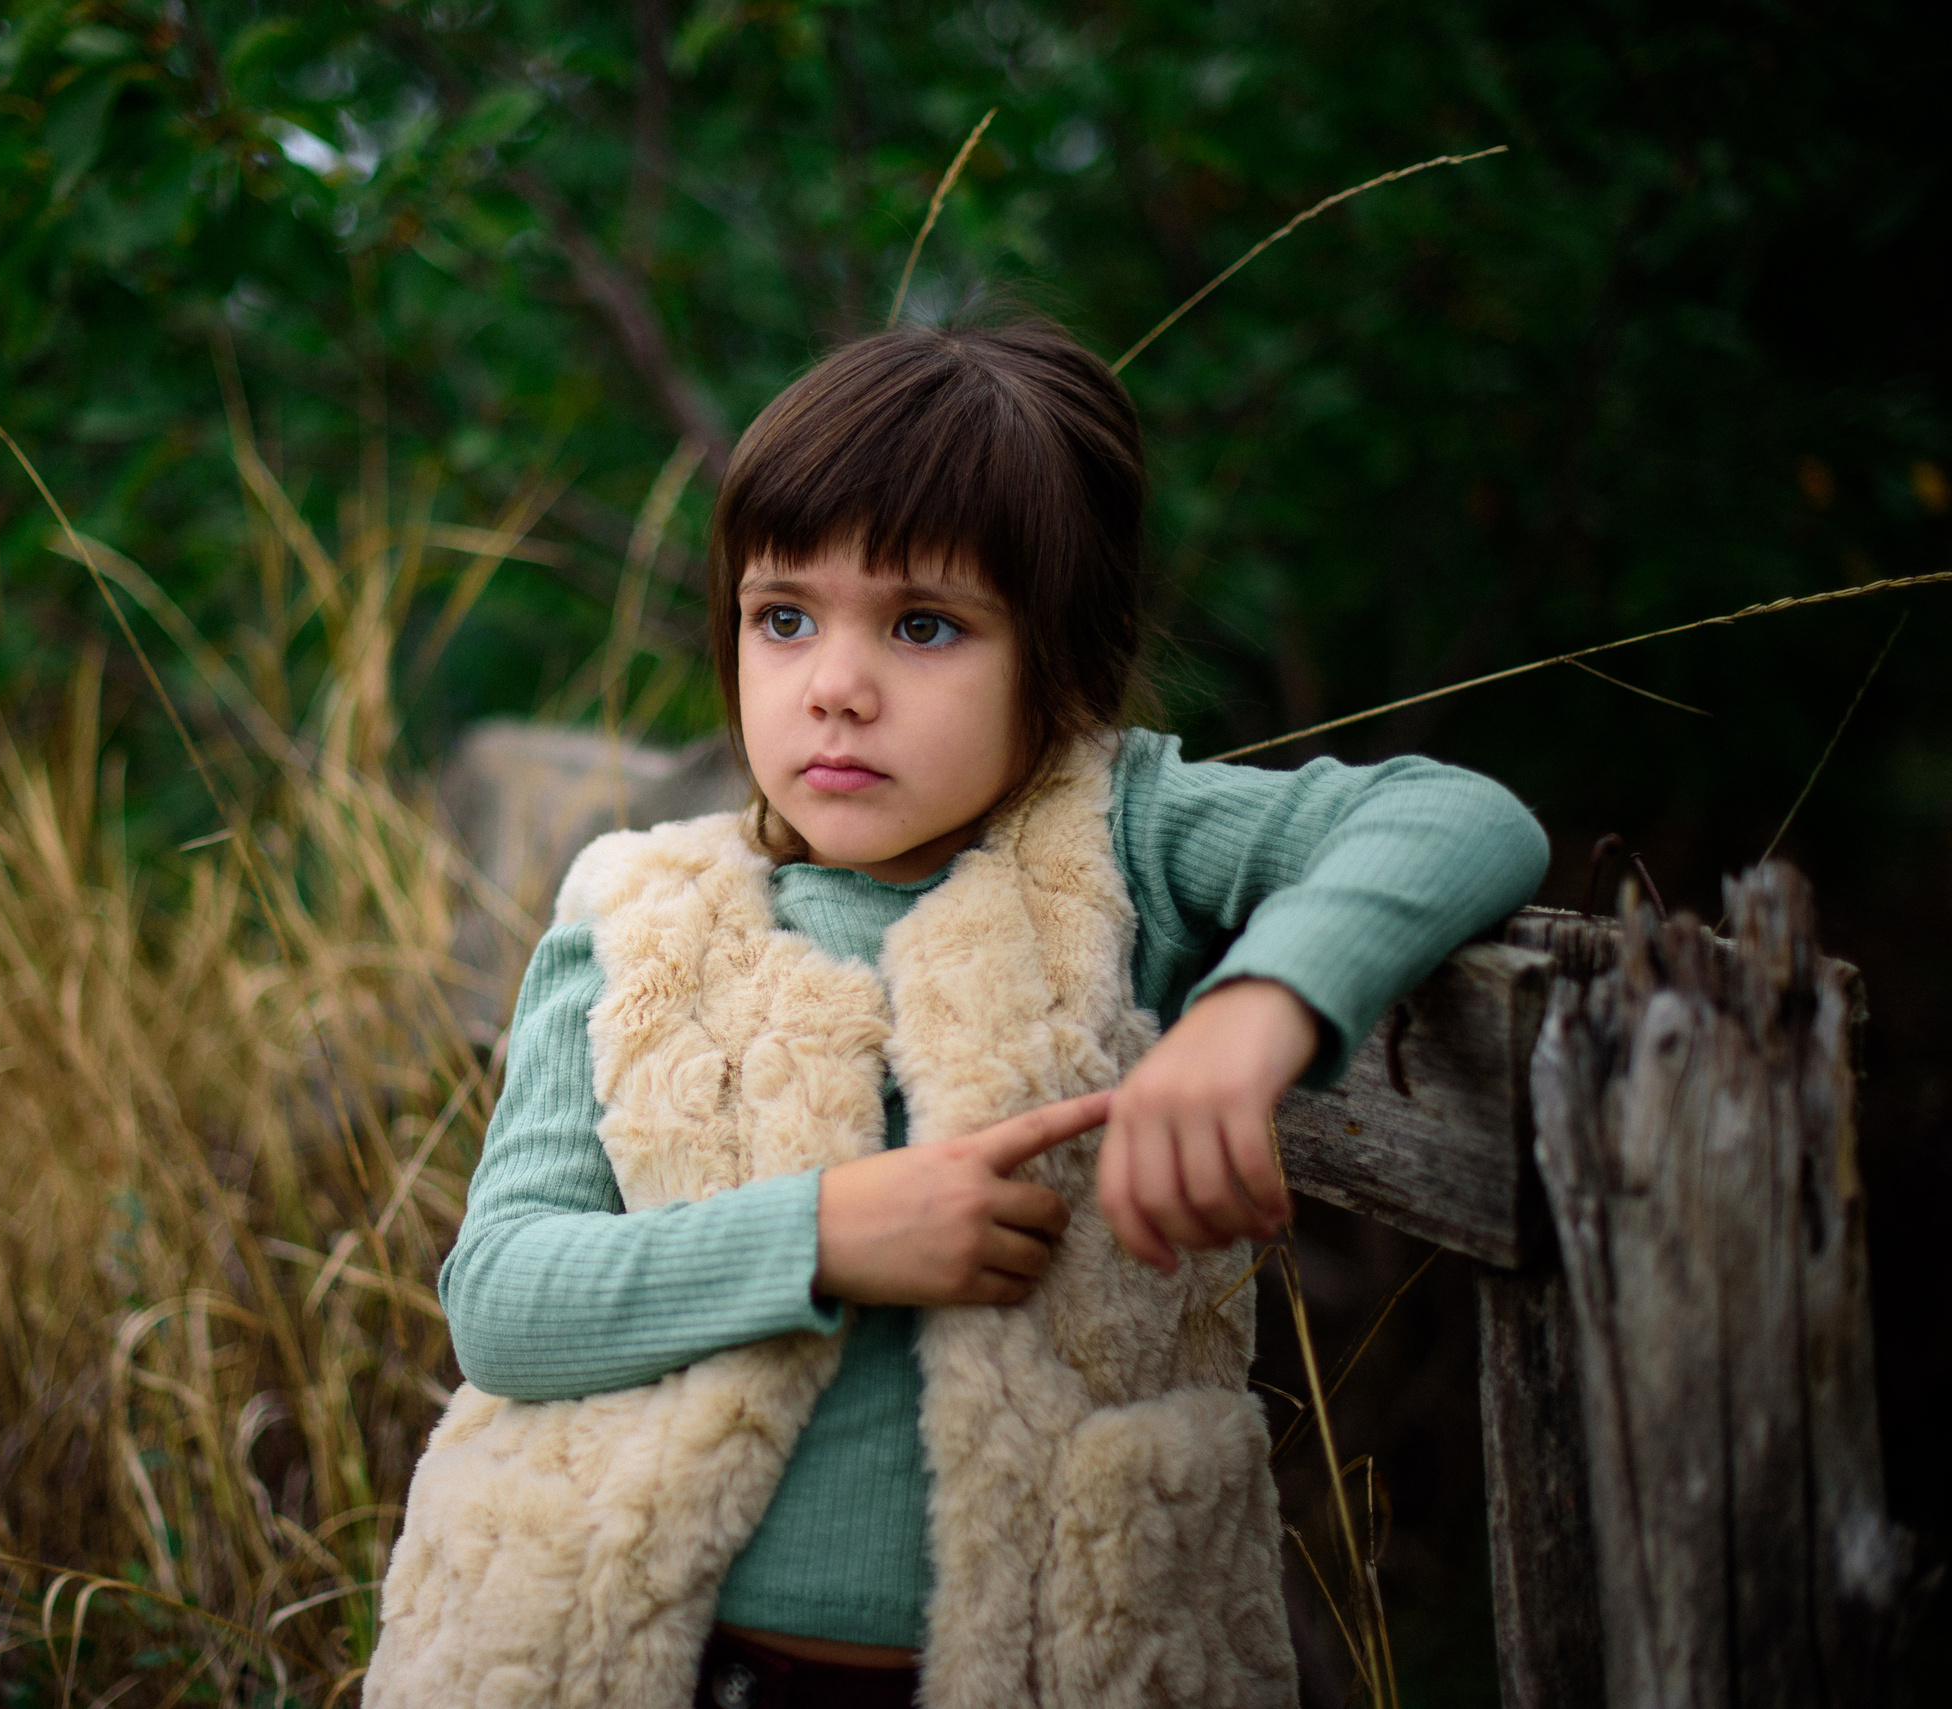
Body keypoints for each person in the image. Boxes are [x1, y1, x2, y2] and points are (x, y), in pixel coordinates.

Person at [365, 316, 1549, 1709]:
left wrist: (1255, 1013)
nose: (837, 684)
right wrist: (831, 1231)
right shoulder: (636, 920)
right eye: (782, 615)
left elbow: (1456, 814)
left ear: (1059, 662)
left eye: (925, 625)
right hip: (657, 1664)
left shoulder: (1125, 841)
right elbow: (500, 1300)